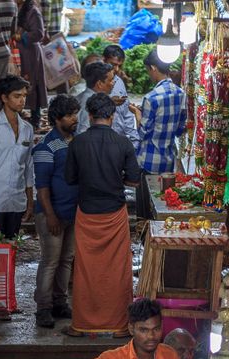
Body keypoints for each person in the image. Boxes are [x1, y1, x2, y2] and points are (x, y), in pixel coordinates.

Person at [64, 93, 141, 338]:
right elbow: (134, 180)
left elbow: (70, 179)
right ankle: (119, 324)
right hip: (114, 213)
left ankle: (82, 323)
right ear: (112, 115)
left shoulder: (77, 143)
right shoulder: (123, 143)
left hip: (86, 212)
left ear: (89, 115)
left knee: (85, 270)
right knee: (118, 269)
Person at [33, 94, 80, 329]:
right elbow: (42, 187)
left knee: (66, 260)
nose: (75, 119)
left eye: (75, 114)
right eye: (70, 115)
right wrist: (50, 214)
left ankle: (60, 302)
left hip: (72, 212)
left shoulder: (76, 141)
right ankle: (43, 307)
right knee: (50, 260)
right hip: (51, 213)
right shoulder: (46, 146)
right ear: (57, 118)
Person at [0, 75, 34, 239]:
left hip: (18, 201)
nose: (22, 100)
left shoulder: (27, 129)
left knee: (12, 247)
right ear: (4, 98)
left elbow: (28, 168)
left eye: (24, 96)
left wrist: (30, 202)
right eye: (17, 96)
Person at [134, 49, 186, 218]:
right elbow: (180, 129)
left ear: (153, 68)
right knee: (162, 207)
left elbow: (143, 132)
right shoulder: (181, 93)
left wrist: (137, 115)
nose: (149, 74)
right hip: (168, 160)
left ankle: (148, 242)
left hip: (149, 161)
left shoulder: (151, 98)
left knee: (145, 212)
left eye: (148, 70)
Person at [15, 0, 47, 131]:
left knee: (33, 83)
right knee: (18, 83)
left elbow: (39, 33)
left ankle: (36, 118)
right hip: (19, 53)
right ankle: (19, 114)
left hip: (31, 53)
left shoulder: (33, 11)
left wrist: (21, 36)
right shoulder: (16, 7)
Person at [103, 44, 139, 145]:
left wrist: (134, 141)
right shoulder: (94, 83)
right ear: (103, 60)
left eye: (120, 65)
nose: (117, 69)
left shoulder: (119, 82)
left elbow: (127, 114)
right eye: (113, 64)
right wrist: (109, 102)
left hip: (120, 141)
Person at [75, 61, 114, 135]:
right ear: (99, 84)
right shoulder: (89, 102)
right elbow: (83, 131)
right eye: (111, 80)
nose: (113, 83)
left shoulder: (80, 97)